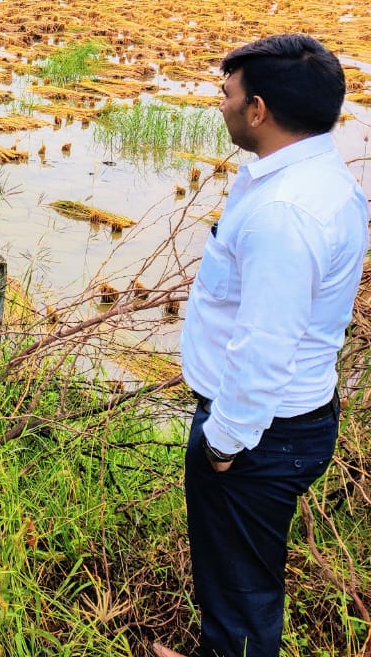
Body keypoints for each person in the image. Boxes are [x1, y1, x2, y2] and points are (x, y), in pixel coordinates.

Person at [153, 35, 368, 657]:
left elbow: (265, 343)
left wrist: (223, 441)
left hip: (257, 432)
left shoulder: (285, 213)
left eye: (227, 94)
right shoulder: (317, 178)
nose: (220, 104)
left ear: (258, 110)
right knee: (234, 575)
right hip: (283, 422)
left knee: (243, 589)